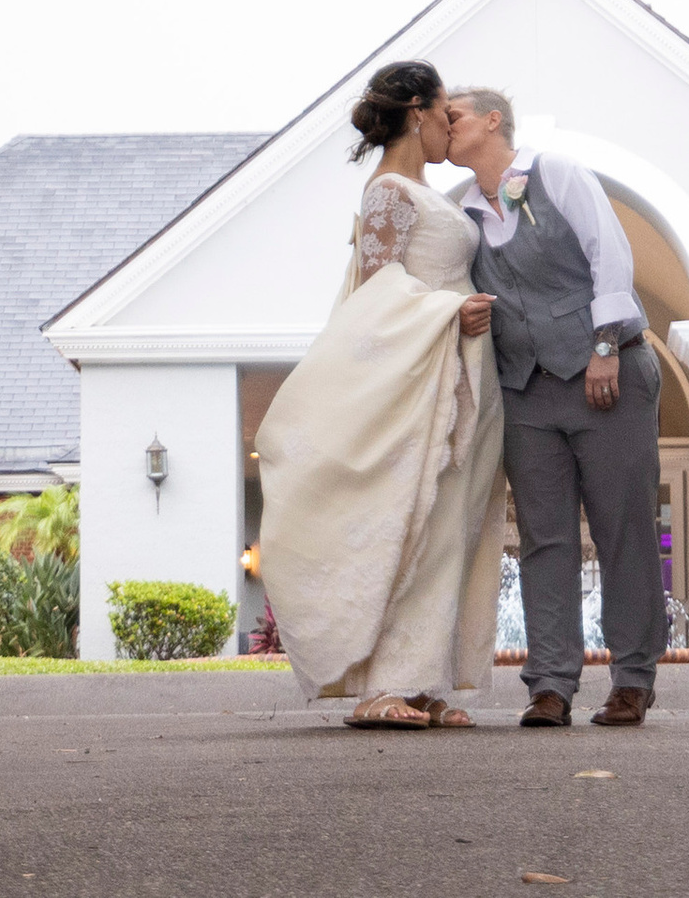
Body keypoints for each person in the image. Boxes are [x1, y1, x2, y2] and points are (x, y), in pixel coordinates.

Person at [254, 60, 506, 729]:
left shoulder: (427, 193)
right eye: (445, 114)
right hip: (421, 373)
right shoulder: (389, 192)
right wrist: (448, 314)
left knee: (453, 525)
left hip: (461, 366)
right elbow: (375, 291)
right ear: (418, 112)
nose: (451, 127)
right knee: (413, 516)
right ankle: (381, 685)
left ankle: (425, 682)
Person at [446, 86, 664, 728]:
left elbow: (610, 255)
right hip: (525, 388)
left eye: (453, 113)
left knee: (622, 527)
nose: (443, 123)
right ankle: (550, 684)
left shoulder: (556, 173)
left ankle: (632, 677)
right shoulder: (462, 213)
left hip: (607, 372)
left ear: (493, 120)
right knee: (543, 538)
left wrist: (604, 347)